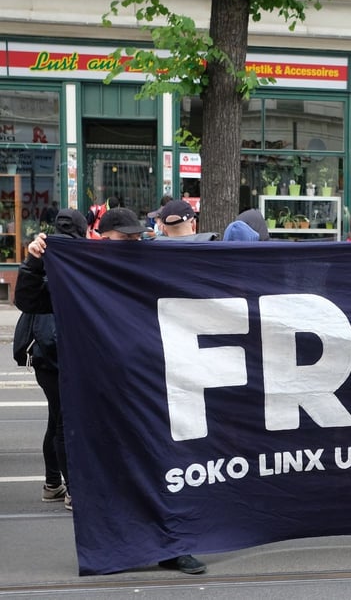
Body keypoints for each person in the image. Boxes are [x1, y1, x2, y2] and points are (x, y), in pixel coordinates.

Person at [18, 208, 207, 575]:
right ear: (101, 238)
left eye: (137, 237)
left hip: (149, 391)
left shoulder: (149, 265)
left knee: (162, 470)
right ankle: (116, 548)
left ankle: (172, 546)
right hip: (100, 393)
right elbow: (30, 301)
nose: (134, 244)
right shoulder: (82, 275)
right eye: (125, 239)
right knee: (110, 476)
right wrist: (34, 261)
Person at [14, 209, 89, 512]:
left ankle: (52, 484)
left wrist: (33, 259)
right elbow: (28, 298)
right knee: (62, 422)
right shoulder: (74, 257)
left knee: (56, 417)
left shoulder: (47, 251)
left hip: (43, 352)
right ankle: (70, 489)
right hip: (55, 352)